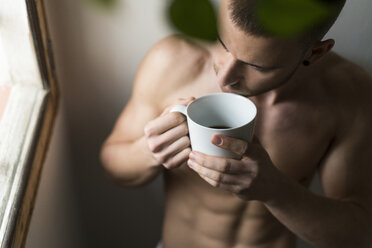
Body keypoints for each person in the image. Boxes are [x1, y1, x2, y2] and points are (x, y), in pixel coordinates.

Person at [100, 0, 372, 247]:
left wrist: (277, 192)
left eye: (257, 66)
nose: (226, 77)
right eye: (222, 42)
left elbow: (360, 234)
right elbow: (113, 163)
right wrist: (150, 150)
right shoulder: (173, 61)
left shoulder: (347, 94)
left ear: (315, 53)